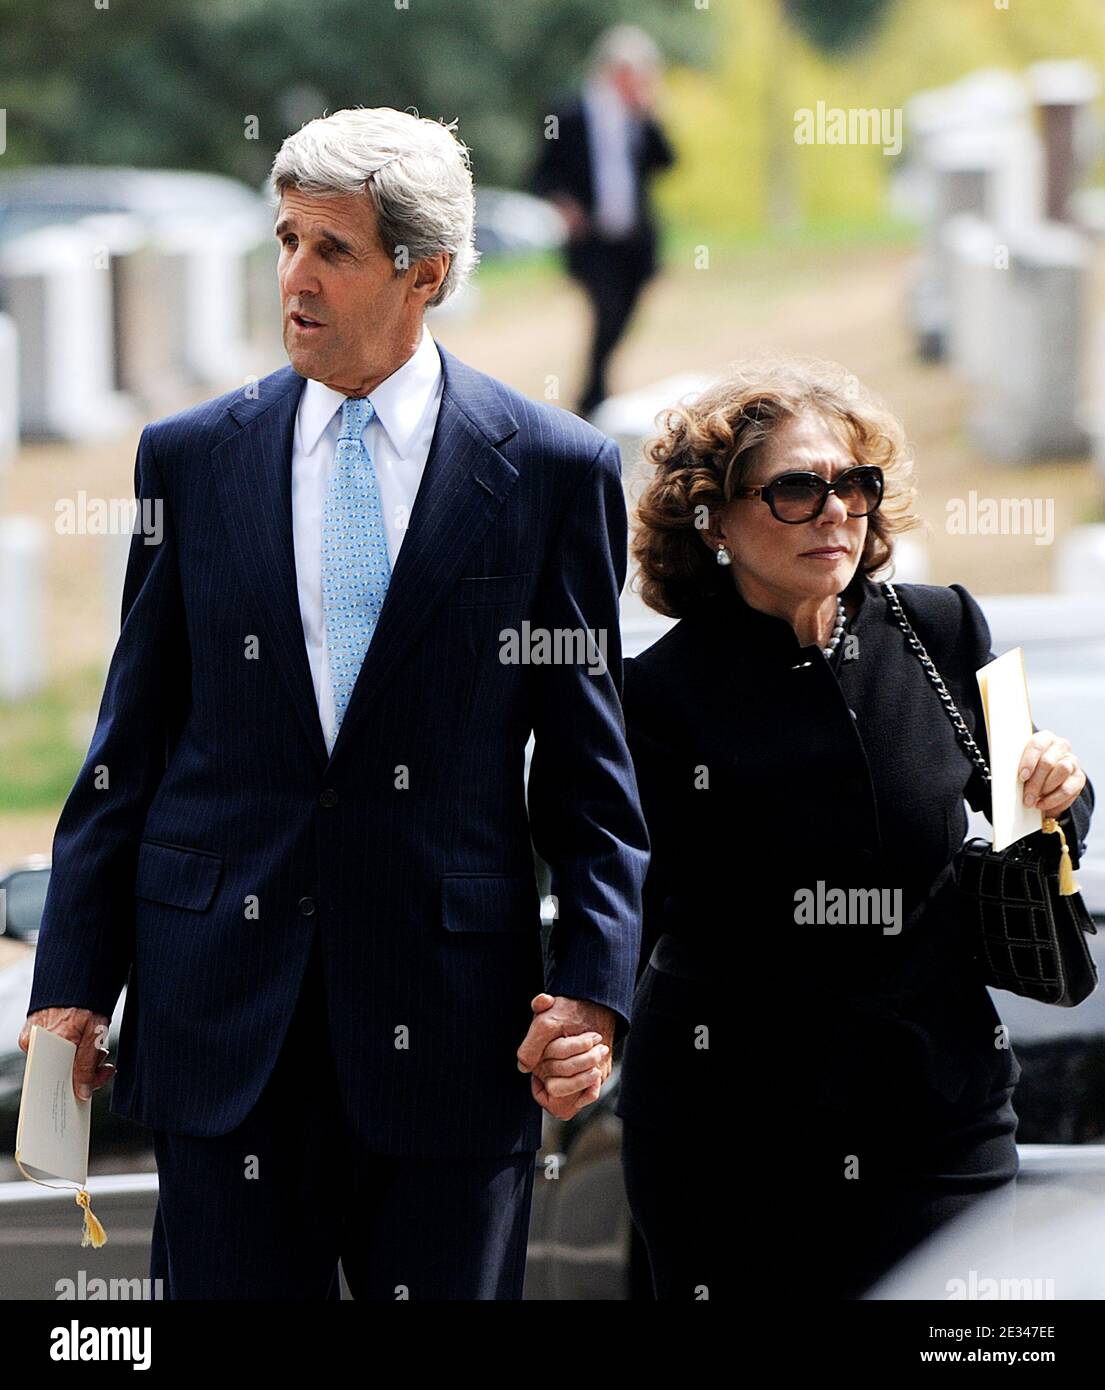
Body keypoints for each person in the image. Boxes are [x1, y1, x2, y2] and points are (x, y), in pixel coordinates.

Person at [19, 106, 649, 1300]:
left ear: (428, 276)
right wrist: (70, 985)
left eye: (333, 251)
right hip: (222, 1023)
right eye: (286, 240)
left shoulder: (554, 473)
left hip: (456, 1030)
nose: (294, 278)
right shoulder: (192, 458)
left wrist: (594, 991)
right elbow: (130, 746)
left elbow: (592, 776)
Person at [616, 357, 1094, 1300]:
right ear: (710, 517)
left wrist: (1059, 783)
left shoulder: (942, 628)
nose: (834, 510)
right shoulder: (655, 696)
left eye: (853, 484)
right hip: (732, 1137)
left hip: (941, 1116)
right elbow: (630, 902)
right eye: (795, 489)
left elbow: (1040, 821)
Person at [531, 25, 675, 419]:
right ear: (610, 71)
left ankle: (595, 391)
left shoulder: (639, 116)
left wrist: (648, 115)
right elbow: (542, 173)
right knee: (607, 309)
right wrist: (564, 204)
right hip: (592, 241)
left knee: (625, 311)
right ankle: (593, 397)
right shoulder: (570, 114)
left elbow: (668, 162)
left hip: (635, 240)